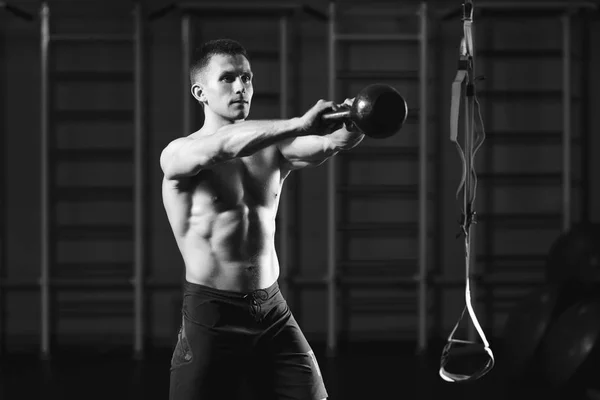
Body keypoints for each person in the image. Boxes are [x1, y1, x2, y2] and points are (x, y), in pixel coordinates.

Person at [160, 38, 365, 400]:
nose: (241, 87)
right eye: (227, 78)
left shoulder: (272, 149)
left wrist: (359, 119)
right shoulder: (179, 154)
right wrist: (299, 123)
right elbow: (224, 146)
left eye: (247, 77)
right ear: (200, 92)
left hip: (272, 311)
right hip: (213, 315)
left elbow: (332, 144)